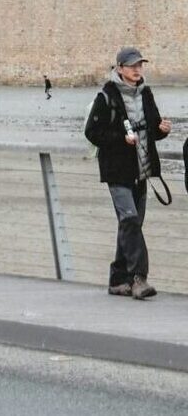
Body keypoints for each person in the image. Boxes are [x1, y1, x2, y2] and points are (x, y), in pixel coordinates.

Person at [84, 46, 170, 299]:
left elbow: (152, 129)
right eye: (132, 66)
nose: (137, 70)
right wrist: (121, 138)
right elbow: (92, 133)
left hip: (142, 170)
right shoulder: (106, 96)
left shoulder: (146, 94)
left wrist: (162, 129)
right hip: (117, 172)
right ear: (120, 68)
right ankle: (139, 278)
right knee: (131, 220)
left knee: (130, 224)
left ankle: (116, 280)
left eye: (139, 65)